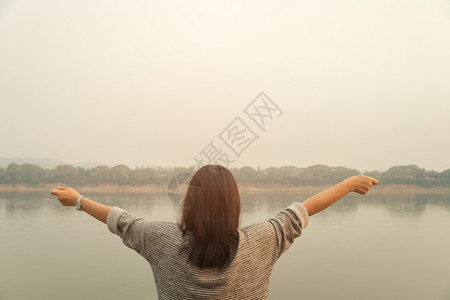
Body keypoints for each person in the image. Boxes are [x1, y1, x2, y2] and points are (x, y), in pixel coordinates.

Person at [50, 164, 378, 299]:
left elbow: (119, 220)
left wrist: (77, 200)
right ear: (234, 204)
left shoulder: (160, 240)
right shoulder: (261, 242)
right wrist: (348, 184)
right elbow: (303, 209)